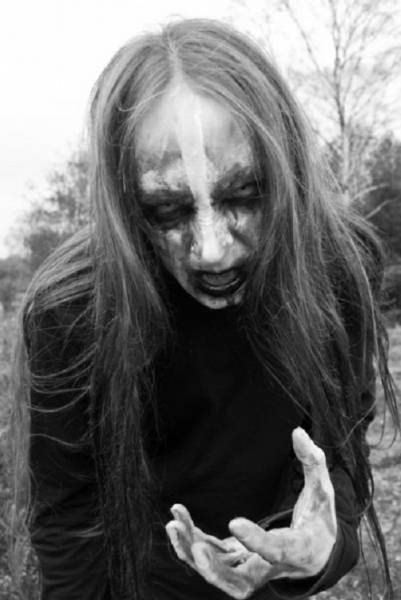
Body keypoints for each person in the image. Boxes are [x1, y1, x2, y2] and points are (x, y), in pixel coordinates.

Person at [10, 17, 400, 600]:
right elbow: (69, 518)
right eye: (167, 209)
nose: (212, 250)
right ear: (124, 201)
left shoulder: (338, 267)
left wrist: (318, 548)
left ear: (287, 167)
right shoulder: (73, 308)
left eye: (245, 193)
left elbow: (341, 453)